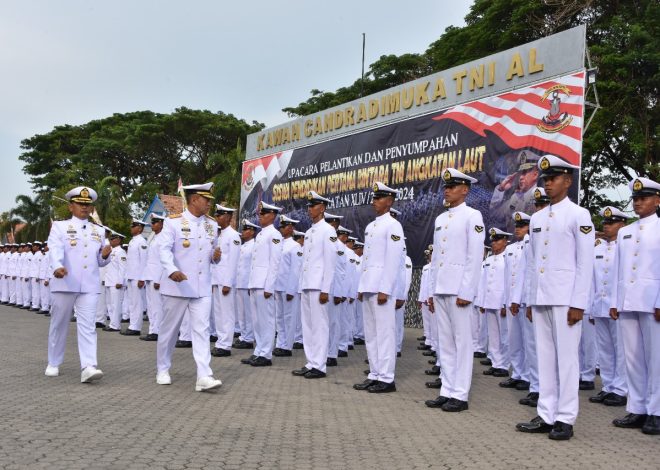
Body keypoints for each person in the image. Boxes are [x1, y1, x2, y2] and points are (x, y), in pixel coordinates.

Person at [516, 154, 594, 441]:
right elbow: (533, 263)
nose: (548, 184)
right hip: (541, 298)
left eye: (554, 179)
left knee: (567, 359)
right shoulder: (536, 217)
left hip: (565, 299)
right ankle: (546, 413)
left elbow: (585, 263)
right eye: (545, 180)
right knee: (544, 358)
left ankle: (565, 417)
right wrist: (529, 299)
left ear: (567, 181)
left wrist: (578, 302)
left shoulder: (579, 215)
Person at [425, 168, 484, 411]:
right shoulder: (441, 219)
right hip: (441, 288)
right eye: (445, 187)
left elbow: (474, 256)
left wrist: (467, 291)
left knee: (462, 342)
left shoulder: (473, 216)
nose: (447, 190)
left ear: (465, 190)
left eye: (452, 186)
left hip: (459, 289)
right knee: (445, 342)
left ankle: (460, 394)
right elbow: (436, 257)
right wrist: (431, 290)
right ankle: (447, 389)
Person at [156, 182, 222, 392]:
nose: (209, 204)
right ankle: (163, 369)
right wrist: (171, 269)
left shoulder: (212, 225)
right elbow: (164, 250)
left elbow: (209, 255)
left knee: (202, 330)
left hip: (202, 287)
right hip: (178, 285)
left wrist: (215, 257)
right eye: (206, 200)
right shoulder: (173, 223)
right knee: (169, 330)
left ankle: (204, 375)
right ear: (194, 199)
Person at [44, 186, 112, 383]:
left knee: (88, 326)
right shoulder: (60, 226)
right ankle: (54, 362)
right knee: (59, 324)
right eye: (80, 204)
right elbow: (55, 249)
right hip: (65, 282)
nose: (84, 207)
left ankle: (89, 366)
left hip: (89, 285)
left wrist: (105, 256)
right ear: (71, 207)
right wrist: (57, 266)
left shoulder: (99, 230)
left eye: (88, 204)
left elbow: (100, 260)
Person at [610, 177, 660, 435]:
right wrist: (615, 302)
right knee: (633, 359)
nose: (639, 202)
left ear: (657, 200)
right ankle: (638, 408)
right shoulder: (625, 231)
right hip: (628, 302)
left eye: (645, 198)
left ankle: (657, 411)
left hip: (653, 303)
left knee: (656, 359)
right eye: (636, 199)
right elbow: (618, 270)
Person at [353, 182, 405, 394]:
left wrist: (385, 288)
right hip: (369, 285)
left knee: (384, 333)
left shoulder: (393, 225)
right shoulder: (371, 226)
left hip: (382, 288)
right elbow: (366, 259)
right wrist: (361, 285)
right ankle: (374, 373)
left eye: (379, 198)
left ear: (389, 201)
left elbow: (393, 261)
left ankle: (386, 378)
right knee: (372, 333)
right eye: (374, 198)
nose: (375, 202)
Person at [292, 191, 337, 379]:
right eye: (309, 206)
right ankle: (310, 362)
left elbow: (330, 262)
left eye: (313, 206)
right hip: (307, 284)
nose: (310, 209)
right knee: (308, 326)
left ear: (323, 208)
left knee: (319, 326)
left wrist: (326, 288)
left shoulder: (328, 231)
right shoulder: (309, 232)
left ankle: (320, 365)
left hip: (319, 286)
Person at [588, 206, 628, 407]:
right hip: (600, 305)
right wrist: (591, 307)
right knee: (604, 350)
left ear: (623, 225)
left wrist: (619, 303)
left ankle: (621, 390)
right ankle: (608, 386)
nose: (607, 226)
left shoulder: (627, 247)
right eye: (605, 223)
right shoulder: (598, 249)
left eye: (612, 223)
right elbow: (592, 281)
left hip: (618, 308)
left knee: (620, 350)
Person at [243, 201, 283, 367]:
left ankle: (266, 354)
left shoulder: (274, 235)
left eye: (264, 214)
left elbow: (274, 263)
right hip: (255, 283)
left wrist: (269, 286)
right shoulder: (260, 234)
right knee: (257, 320)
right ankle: (258, 350)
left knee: (266, 321)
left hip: (264, 284)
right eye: (260, 214)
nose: (261, 216)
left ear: (272, 216)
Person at [478, 228, 511, 378]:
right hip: (489, 301)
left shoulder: (508, 257)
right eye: (493, 240)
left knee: (504, 335)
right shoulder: (488, 260)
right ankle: (495, 362)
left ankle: (504, 365)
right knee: (493, 335)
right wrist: (482, 302)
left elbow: (509, 282)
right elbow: (483, 283)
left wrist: (505, 303)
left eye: (497, 240)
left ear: (505, 242)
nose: (494, 243)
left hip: (501, 302)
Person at [210, 204, 241, 357]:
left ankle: (226, 345)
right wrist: (215, 259)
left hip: (225, 282)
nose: (218, 218)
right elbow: (218, 260)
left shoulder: (233, 235)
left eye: (220, 215)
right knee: (218, 313)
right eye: (217, 215)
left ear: (228, 217)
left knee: (226, 314)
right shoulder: (219, 236)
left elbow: (234, 261)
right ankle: (220, 342)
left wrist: (228, 283)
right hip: (217, 280)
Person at [489, 150, 540, 232]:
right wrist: (501, 189)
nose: (521, 177)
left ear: (535, 174)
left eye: (525, 172)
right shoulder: (515, 198)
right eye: (520, 173)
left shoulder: (541, 198)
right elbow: (494, 214)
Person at [272, 214, 301, 357]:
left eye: (284, 227)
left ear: (291, 228)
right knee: (279, 318)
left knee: (289, 318)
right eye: (281, 227)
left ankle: (287, 346)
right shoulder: (279, 244)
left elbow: (295, 270)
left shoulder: (295, 246)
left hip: (288, 288)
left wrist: (291, 289)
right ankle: (280, 344)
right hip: (278, 286)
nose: (281, 229)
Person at [234, 219, 259, 349]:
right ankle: (243, 336)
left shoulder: (255, 246)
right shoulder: (242, 246)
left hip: (248, 283)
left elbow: (254, 267)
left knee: (249, 313)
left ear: (252, 232)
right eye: (243, 229)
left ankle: (249, 338)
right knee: (241, 312)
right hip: (239, 283)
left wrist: (251, 283)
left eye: (245, 230)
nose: (243, 232)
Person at [141, 214, 166, 341]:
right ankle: (153, 329)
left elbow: (163, 261)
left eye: (155, 222)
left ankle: (157, 331)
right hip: (150, 276)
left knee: (157, 306)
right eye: (152, 222)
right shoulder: (154, 238)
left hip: (157, 277)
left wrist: (159, 279)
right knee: (151, 306)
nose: (152, 225)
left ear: (161, 224)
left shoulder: (163, 239)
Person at [123, 219, 148, 336]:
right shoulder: (133, 241)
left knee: (137, 303)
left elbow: (144, 261)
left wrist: (142, 278)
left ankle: (136, 327)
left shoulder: (142, 241)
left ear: (140, 228)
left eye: (134, 226)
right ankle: (132, 325)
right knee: (132, 302)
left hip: (137, 277)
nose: (131, 228)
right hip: (131, 276)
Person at [103, 231, 127, 332]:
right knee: (109, 304)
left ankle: (116, 325)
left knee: (116, 304)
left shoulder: (121, 252)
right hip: (109, 281)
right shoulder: (111, 251)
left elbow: (123, 268)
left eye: (113, 239)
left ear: (119, 240)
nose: (111, 240)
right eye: (110, 239)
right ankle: (112, 323)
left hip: (116, 283)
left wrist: (120, 281)